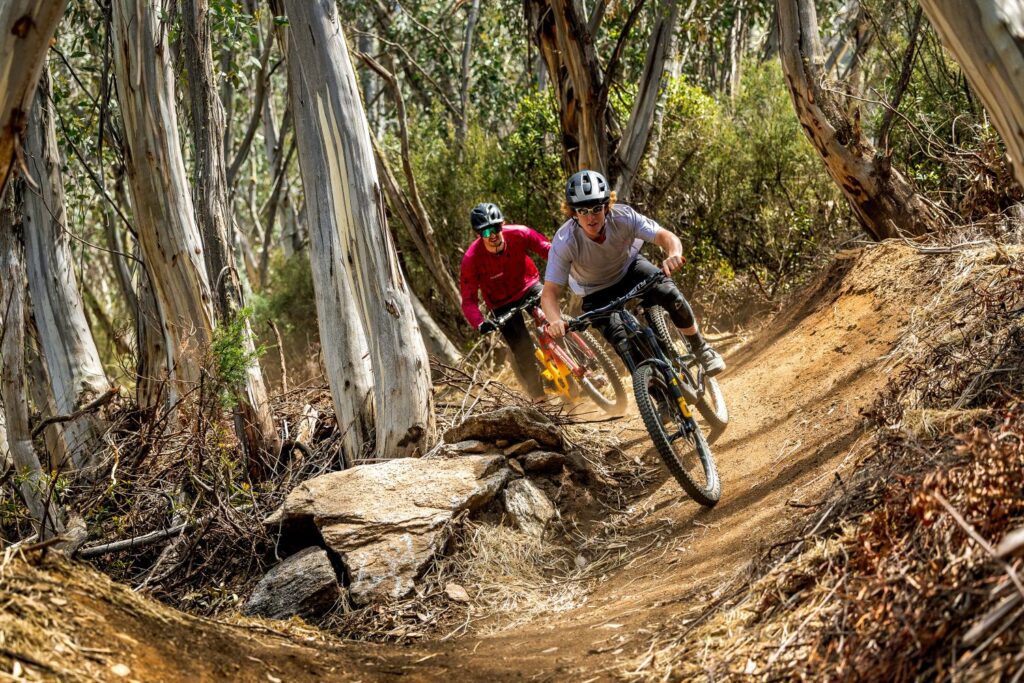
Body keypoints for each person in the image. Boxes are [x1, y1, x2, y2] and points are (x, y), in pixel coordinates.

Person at [540, 170, 725, 376]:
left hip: (630, 268)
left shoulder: (623, 217)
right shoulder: (564, 241)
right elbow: (549, 293)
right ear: (573, 212)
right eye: (582, 211)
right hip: (595, 290)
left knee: (670, 294)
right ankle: (660, 399)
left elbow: (664, 236)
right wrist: (555, 320)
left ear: (607, 206)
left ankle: (700, 348)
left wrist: (674, 253)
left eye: (596, 208)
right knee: (622, 342)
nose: (590, 217)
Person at [460, 202, 552, 399]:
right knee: (523, 349)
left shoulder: (520, 233)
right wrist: (480, 323)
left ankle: (584, 369)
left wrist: (564, 262)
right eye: (485, 232)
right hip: (501, 303)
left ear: (502, 225)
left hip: (528, 285)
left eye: (495, 229)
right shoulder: (471, 259)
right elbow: (468, 299)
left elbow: (546, 249)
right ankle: (539, 397)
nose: (492, 236)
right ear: (478, 234)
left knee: (555, 321)